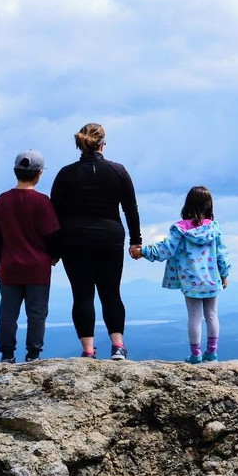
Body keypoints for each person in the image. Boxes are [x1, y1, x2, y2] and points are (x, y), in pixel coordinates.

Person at [50, 123, 142, 360]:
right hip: (109, 237)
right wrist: (135, 241)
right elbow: (131, 209)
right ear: (104, 144)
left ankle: (88, 350)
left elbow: (54, 214)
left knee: (82, 294)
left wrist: (54, 249)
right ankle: (118, 346)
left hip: (74, 238)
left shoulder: (65, 174)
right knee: (111, 292)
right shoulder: (118, 171)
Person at [134, 185, 231, 363]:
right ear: (209, 205)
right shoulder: (214, 228)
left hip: (191, 281)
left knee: (194, 317)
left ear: (188, 204)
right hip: (212, 280)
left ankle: (195, 355)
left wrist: (144, 252)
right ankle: (212, 353)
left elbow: (165, 249)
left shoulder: (180, 229)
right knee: (211, 314)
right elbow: (222, 254)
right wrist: (224, 274)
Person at [0, 149, 61, 363]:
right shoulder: (42, 202)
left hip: (10, 266)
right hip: (38, 268)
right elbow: (53, 235)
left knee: (8, 314)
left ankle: (7, 355)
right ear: (39, 174)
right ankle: (33, 355)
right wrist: (54, 256)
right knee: (36, 314)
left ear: (15, 171)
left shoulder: (2, 201)